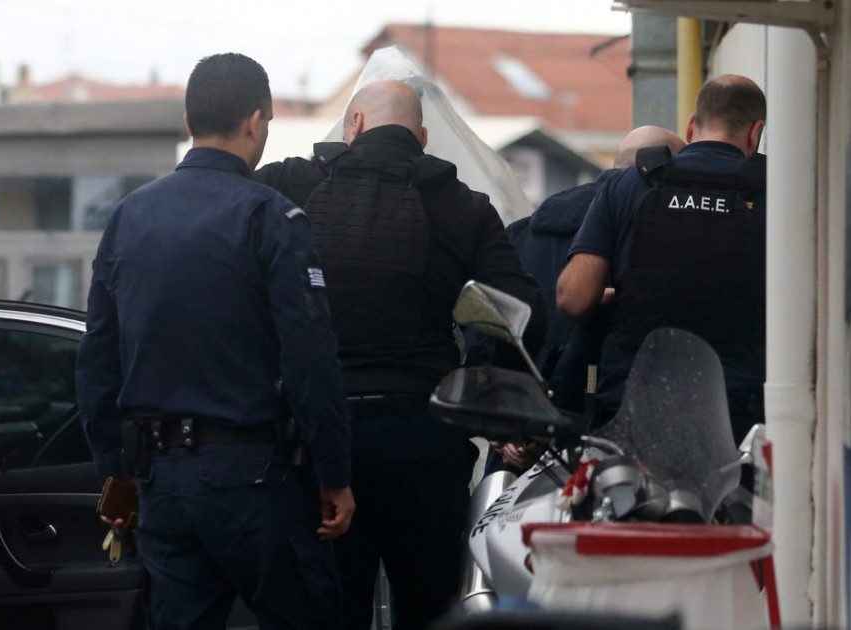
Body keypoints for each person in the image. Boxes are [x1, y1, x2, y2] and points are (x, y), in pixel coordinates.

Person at [75, 53, 354, 630]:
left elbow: (97, 360)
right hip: (254, 480)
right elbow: (310, 360)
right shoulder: (271, 217)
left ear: (188, 120)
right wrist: (334, 474)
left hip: (161, 485)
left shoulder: (128, 217)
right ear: (255, 121)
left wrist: (118, 475)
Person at [255, 79, 545, 630]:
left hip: (318, 441)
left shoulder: (286, 186)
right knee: (429, 607)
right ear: (423, 139)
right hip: (425, 441)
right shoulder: (464, 207)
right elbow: (523, 315)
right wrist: (477, 395)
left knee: (330, 608)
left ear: (355, 125)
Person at [557, 74, 767, 443]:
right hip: (731, 413)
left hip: (631, 403)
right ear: (756, 133)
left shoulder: (627, 184)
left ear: (691, 126)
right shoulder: (775, 192)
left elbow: (574, 299)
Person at [493, 127, 685, 472]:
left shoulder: (520, 234)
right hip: (605, 451)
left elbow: (490, 334)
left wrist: (503, 429)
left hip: (516, 444)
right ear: (656, 168)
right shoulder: (650, 238)